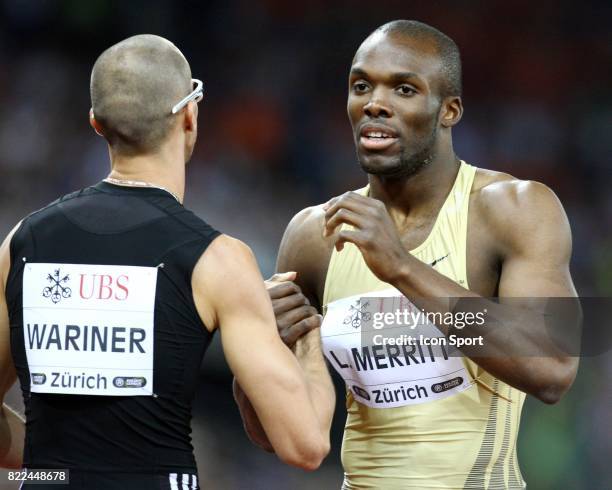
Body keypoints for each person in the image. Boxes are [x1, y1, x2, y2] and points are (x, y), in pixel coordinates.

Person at [236, 20, 579, 489]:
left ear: (449, 110)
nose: (375, 103)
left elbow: (552, 370)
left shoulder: (512, 209)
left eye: (404, 89)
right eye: (361, 86)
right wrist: (256, 357)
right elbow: (279, 436)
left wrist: (401, 267)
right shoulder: (314, 235)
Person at [0, 34, 335, 489]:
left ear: (97, 124)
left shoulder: (23, 243)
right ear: (190, 116)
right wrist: (308, 336)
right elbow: (305, 444)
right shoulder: (218, 260)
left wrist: (55, 471)